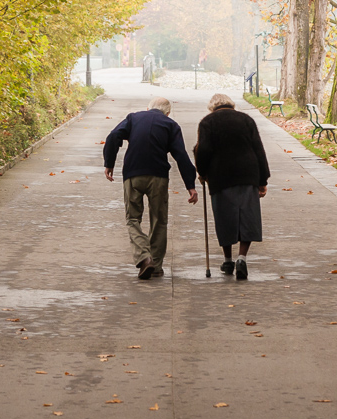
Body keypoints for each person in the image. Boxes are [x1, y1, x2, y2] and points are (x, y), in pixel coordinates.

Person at [104, 97, 198, 280]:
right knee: (159, 220)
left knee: (132, 219)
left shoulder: (133, 118)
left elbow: (113, 136)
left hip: (133, 174)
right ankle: (155, 265)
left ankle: (144, 257)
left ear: (148, 108)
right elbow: (181, 155)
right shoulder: (171, 125)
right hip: (158, 177)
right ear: (168, 113)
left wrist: (109, 163)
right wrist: (190, 185)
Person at [193, 93, 269, 280]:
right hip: (247, 174)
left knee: (224, 216)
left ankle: (228, 260)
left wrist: (201, 172)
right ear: (232, 105)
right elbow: (258, 149)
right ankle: (242, 258)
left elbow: (203, 150)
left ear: (212, 107)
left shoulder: (207, 122)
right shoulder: (246, 120)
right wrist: (263, 180)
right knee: (247, 216)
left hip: (221, 176)